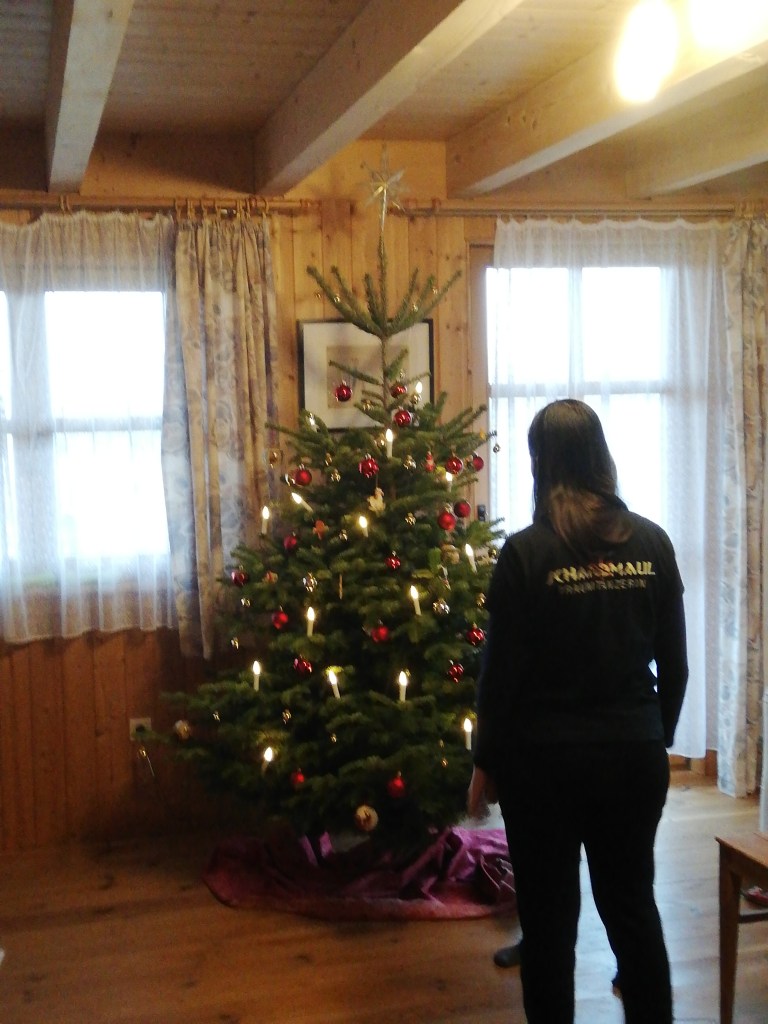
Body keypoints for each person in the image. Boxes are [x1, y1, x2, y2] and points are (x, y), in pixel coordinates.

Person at [467, 399, 688, 1024]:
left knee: (548, 926)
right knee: (633, 910)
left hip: (543, 769)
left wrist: (485, 763)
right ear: (601, 456)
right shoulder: (652, 542)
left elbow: (499, 678)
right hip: (632, 759)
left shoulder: (525, 554)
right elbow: (675, 666)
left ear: (541, 463)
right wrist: (653, 735)